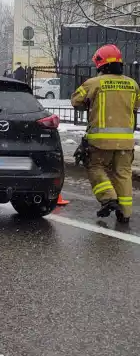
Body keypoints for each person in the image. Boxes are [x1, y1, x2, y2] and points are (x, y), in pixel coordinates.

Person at [71, 44, 140, 223]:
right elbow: (136, 105)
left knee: (95, 167)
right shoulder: (132, 84)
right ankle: (124, 213)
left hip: (100, 141)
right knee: (123, 173)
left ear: (100, 63)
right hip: (126, 142)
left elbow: (75, 100)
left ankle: (108, 198)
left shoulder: (94, 83)